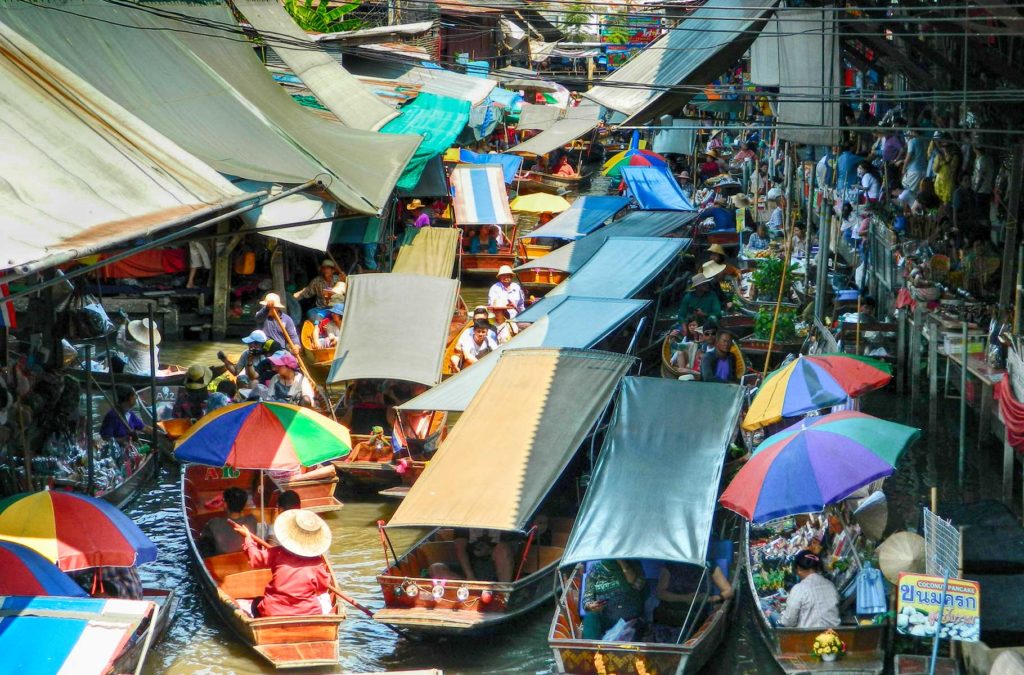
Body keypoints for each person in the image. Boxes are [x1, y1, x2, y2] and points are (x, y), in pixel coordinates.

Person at [234, 509, 334, 617]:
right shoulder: (317, 563)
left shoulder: (277, 553)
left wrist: (248, 538)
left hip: (273, 611)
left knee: (257, 603)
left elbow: (255, 559)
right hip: (308, 613)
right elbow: (322, 588)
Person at [652, 562, 733, 639]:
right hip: (670, 615)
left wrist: (711, 598)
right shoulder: (671, 565)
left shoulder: (709, 565)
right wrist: (685, 598)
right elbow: (660, 593)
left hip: (697, 615)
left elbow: (729, 591)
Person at [580, 559, 647, 639]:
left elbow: (639, 585)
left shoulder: (634, 564)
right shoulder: (595, 569)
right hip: (605, 616)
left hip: (629, 618)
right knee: (591, 616)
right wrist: (592, 606)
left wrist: (623, 564)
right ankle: (591, 649)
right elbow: (587, 598)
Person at [777, 550, 840, 629]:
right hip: (833, 635)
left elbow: (789, 622)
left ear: (798, 569)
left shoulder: (799, 589)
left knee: (774, 617)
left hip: (810, 637)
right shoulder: (830, 585)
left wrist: (781, 614)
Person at [429, 529, 514, 583]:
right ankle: (468, 589)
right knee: (436, 568)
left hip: (493, 565)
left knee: (502, 548)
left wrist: (489, 550)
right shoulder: (466, 522)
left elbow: (509, 549)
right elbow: (460, 549)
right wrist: (470, 577)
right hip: (468, 566)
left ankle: (504, 592)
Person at [201, 487, 258, 556]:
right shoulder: (252, 520)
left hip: (220, 562)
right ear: (244, 505)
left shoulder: (214, 523)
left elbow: (204, 547)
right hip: (245, 559)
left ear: (225, 504)